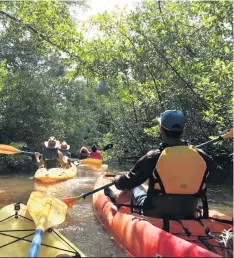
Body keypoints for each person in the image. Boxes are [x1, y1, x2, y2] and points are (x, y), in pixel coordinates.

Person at [112, 110, 226, 219]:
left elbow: (128, 181)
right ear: (182, 131)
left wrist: (117, 180)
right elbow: (221, 177)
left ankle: (118, 211)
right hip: (188, 212)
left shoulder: (153, 156)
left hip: (155, 213)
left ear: (161, 130)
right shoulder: (200, 155)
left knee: (135, 186)